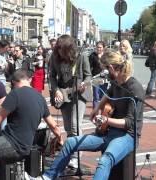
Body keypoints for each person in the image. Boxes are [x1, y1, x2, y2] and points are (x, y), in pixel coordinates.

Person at [30, 51, 144, 180]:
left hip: (127, 136)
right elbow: (108, 94)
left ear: (111, 68)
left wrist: (106, 119)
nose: (104, 72)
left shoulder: (135, 89)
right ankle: (48, 177)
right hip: (108, 133)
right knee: (71, 142)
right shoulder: (116, 82)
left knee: (104, 161)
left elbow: (129, 123)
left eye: (105, 69)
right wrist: (97, 109)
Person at [49, 34, 91, 168]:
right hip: (63, 93)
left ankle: (76, 156)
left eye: (63, 50)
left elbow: (88, 75)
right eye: (59, 49)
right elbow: (52, 76)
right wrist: (56, 90)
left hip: (79, 94)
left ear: (69, 49)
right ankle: (72, 152)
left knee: (75, 125)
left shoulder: (81, 56)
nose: (60, 52)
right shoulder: (55, 57)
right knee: (68, 127)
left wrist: (84, 83)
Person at [89, 41, 108, 108]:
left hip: (104, 79)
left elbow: (109, 65)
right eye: (97, 47)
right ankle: (95, 113)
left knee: (103, 96)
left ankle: (103, 113)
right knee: (96, 97)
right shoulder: (92, 55)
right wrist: (90, 76)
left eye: (100, 47)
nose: (98, 49)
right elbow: (89, 67)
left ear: (103, 48)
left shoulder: (106, 56)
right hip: (95, 78)